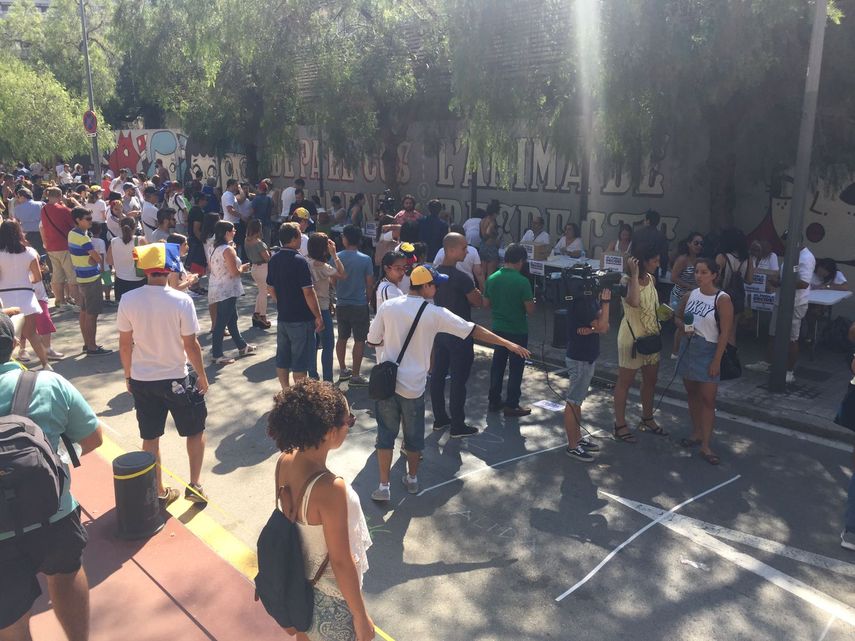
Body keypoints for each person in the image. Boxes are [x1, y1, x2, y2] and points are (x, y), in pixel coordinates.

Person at [367, 265, 530, 500]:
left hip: (386, 385)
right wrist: (507, 343)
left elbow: (373, 340)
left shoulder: (388, 307)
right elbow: (473, 330)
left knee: (385, 436)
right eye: (435, 284)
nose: (438, 288)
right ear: (425, 286)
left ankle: (383, 487)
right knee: (413, 439)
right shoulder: (435, 313)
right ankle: (411, 479)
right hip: (413, 387)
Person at [0, 312, 104, 641]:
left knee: (10, 617)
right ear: (16, 345)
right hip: (53, 511)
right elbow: (93, 439)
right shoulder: (47, 383)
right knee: (65, 573)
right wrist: (53, 459)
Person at [267, 380, 374, 641]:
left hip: (298, 591)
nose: (349, 426)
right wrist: (361, 617)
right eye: (348, 420)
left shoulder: (285, 460)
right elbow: (340, 560)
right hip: (330, 601)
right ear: (328, 431)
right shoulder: (330, 489)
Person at [117, 242, 209, 506]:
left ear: (145, 268)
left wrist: (128, 376)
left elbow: (125, 344)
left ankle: (158, 489)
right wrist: (202, 375)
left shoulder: (128, 300)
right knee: (195, 430)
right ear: (170, 268)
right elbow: (191, 345)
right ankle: (195, 484)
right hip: (176, 377)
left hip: (143, 379)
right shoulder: (182, 300)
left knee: (150, 437)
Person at [674, 258, 734, 465]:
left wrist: (716, 360)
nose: (699, 276)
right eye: (697, 272)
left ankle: (706, 445)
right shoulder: (691, 294)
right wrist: (683, 327)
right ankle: (697, 432)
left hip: (709, 350)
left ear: (714, 275)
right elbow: (677, 316)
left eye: (704, 272)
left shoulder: (722, 299)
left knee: (708, 400)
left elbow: (725, 333)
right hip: (689, 347)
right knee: (692, 393)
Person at [431, 233, 484, 437]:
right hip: (460, 333)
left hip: (440, 330)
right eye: (463, 248)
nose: (467, 251)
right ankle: (457, 425)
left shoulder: (434, 274)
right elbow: (478, 301)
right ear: (452, 250)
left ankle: (440, 418)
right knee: (458, 380)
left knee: (438, 375)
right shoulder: (461, 277)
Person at [613, 243, 665, 443]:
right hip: (632, 340)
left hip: (651, 338)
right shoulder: (626, 280)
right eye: (655, 260)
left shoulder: (651, 279)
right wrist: (634, 275)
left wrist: (668, 315)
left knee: (651, 381)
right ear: (642, 262)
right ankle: (620, 425)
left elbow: (653, 305)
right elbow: (634, 302)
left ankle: (648, 417)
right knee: (624, 383)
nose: (658, 264)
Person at [746, 235, 816, 384]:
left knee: (792, 338)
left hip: (795, 303)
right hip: (781, 301)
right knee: (773, 333)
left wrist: (780, 283)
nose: (784, 245)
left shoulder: (806, 258)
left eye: (787, 242)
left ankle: (789, 371)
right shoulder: (792, 254)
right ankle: (767, 363)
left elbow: (803, 283)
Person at [267, 222, 324, 390]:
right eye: (299, 235)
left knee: (283, 358)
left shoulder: (274, 258)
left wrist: (280, 302)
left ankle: (285, 391)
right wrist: (318, 315)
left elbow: (270, 287)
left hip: (283, 316)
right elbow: (308, 292)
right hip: (301, 318)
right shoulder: (300, 261)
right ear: (293, 238)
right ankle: (298, 396)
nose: (301, 238)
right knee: (300, 362)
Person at [562, 278, 612, 462]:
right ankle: (572, 446)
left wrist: (592, 329)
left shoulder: (590, 301)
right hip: (579, 358)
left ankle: (578, 439)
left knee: (578, 401)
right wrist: (605, 304)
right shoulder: (580, 304)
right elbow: (604, 326)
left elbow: (604, 325)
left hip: (588, 356)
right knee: (572, 401)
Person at [485, 243, 535, 417]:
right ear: (521, 261)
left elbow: (486, 304)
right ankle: (512, 404)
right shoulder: (523, 282)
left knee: (497, 365)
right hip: (517, 329)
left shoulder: (492, 278)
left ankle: (494, 400)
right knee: (516, 368)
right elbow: (530, 310)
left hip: (498, 329)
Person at [0, 220, 51, 369]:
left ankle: (7, 365)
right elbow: (38, 278)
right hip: (26, 296)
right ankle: (45, 363)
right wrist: (26, 281)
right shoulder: (29, 252)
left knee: (6, 335)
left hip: (4, 298)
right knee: (31, 333)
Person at [207, 221, 256, 365]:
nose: (235, 232)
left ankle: (242, 346)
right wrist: (244, 268)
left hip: (218, 287)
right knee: (221, 322)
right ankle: (217, 354)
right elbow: (234, 272)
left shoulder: (214, 247)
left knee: (232, 319)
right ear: (227, 233)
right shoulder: (228, 249)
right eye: (233, 230)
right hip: (227, 289)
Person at [335, 225, 374, 386]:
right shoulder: (365, 259)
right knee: (359, 340)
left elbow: (332, 279)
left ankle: (343, 369)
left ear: (345, 239)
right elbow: (369, 283)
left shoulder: (336, 257)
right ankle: (356, 375)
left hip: (341, 303)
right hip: (359, 304)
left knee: (342, 337)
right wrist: (368, 299)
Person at [68, 209, 110, 356]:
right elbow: (97, 258)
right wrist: (95, 258)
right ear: (78, 220)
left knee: (85, 312)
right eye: (88, 219)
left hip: (81, 277)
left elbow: (93, 257)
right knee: (92, 314)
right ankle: (92, 346)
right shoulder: (83, 238)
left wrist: (93, 258)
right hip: (91, 278)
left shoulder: (72, 233)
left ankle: (88, 344)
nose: (91, 221)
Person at [307, 233, 346, 382]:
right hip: (322, 308)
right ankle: (328, 379)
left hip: (309, 307)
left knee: (312, 344)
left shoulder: (306, 262)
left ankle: (312, 376)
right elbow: (342, 274)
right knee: (328, 345)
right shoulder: (323, 266)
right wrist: (334, 255)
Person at [17, 256, 64, 363]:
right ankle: (22, 350)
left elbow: (43, 269)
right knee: (22, 325)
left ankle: (47, 349)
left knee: (45, 320)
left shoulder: (30, 252)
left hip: (39, 296)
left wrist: (42, 267)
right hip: (22, 296)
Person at [40, 187, 78, 309]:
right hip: (64, 246)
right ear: (60, 196)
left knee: (57, 275)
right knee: (72, 275)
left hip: (51, 247)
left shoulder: (43, 209)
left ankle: (61, 302)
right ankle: (78, 302)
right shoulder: (64, 210)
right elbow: (73, 225)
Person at [715, 227, 753, 347]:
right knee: (732, 331)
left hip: (722, 296)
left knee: (719, 329)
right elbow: (749, 280)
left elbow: (714, 278)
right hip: (738, 297)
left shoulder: (722, 257)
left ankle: (719, 358)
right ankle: (731, 357)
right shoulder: (747, 258)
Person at [669, 232, 704, 357]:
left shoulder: (700, 260)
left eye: (701, 243)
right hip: (679, 296)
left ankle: (684, 349)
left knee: (689, 324)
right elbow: (673, 277)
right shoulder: (683, 259)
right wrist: (690, 287)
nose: (699, 245)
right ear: (689, 244)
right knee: (681, 325)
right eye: (696, 243)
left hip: (692, 297)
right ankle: (675, 351)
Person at [433, 223, 485, 290]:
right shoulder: (473, 251)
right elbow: (479, 273)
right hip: (469, 288)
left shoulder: (442, 251)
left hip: (447, 288)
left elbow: (435, 270)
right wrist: (483, 290)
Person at [107, 217, 147, 303]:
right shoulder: (141, 240)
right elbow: (147, 261)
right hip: (138, 281)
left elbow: (109, 261)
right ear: (135, 226)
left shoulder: (113, 241)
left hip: (120, 282)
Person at [244, 220, 273, 329]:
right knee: (264, 293)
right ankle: (262, 316)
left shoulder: (247, 240)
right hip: (263, 268)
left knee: (261, 292)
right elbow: (267, 258)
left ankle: (256, 314)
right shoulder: (259, 243)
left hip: (254, 267)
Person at [632, 209, 670, 275]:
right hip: (653, 268)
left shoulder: (637, 233)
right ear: (658, 222)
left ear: (648, 221)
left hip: (638, 266)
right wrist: (664, 271)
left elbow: (633, 252)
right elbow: (664, 256)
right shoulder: (661, 236)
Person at [12, 188, 44, 255]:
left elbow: (16, 223)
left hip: (26, 235)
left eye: (18, 197)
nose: (17, 199)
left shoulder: (17, 208)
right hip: (41, 233)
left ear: (23, 197)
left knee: (30, 254)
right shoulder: (41, 204)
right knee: (42, 254)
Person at [89, 222, 112, 304]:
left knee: (97, 284)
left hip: (94, 266)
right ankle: (107, 298)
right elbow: (102, 254)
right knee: (108, 283)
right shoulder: (101, 241)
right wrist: (102, 267)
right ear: (100, 231)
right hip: (103, 266)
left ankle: (98, 298)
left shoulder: (89, 240)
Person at [479, 201, 501, 279]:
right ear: (494, 213)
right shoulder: (492, 221)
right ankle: (488, 290)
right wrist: (494, 236)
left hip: (482, 246)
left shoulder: (482, 220)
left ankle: (482, 290)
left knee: (483, 273)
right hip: (491, 247)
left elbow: (482, 234)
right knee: (490, 274)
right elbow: (487, 232)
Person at [251, 179, 274, 244]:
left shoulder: (256, 199)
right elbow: (272, 208)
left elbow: (252, 211)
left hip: (257, 225)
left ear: (259, 189)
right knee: (267, 243)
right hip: (267, 223)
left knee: (257, 243)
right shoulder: (269, 199)